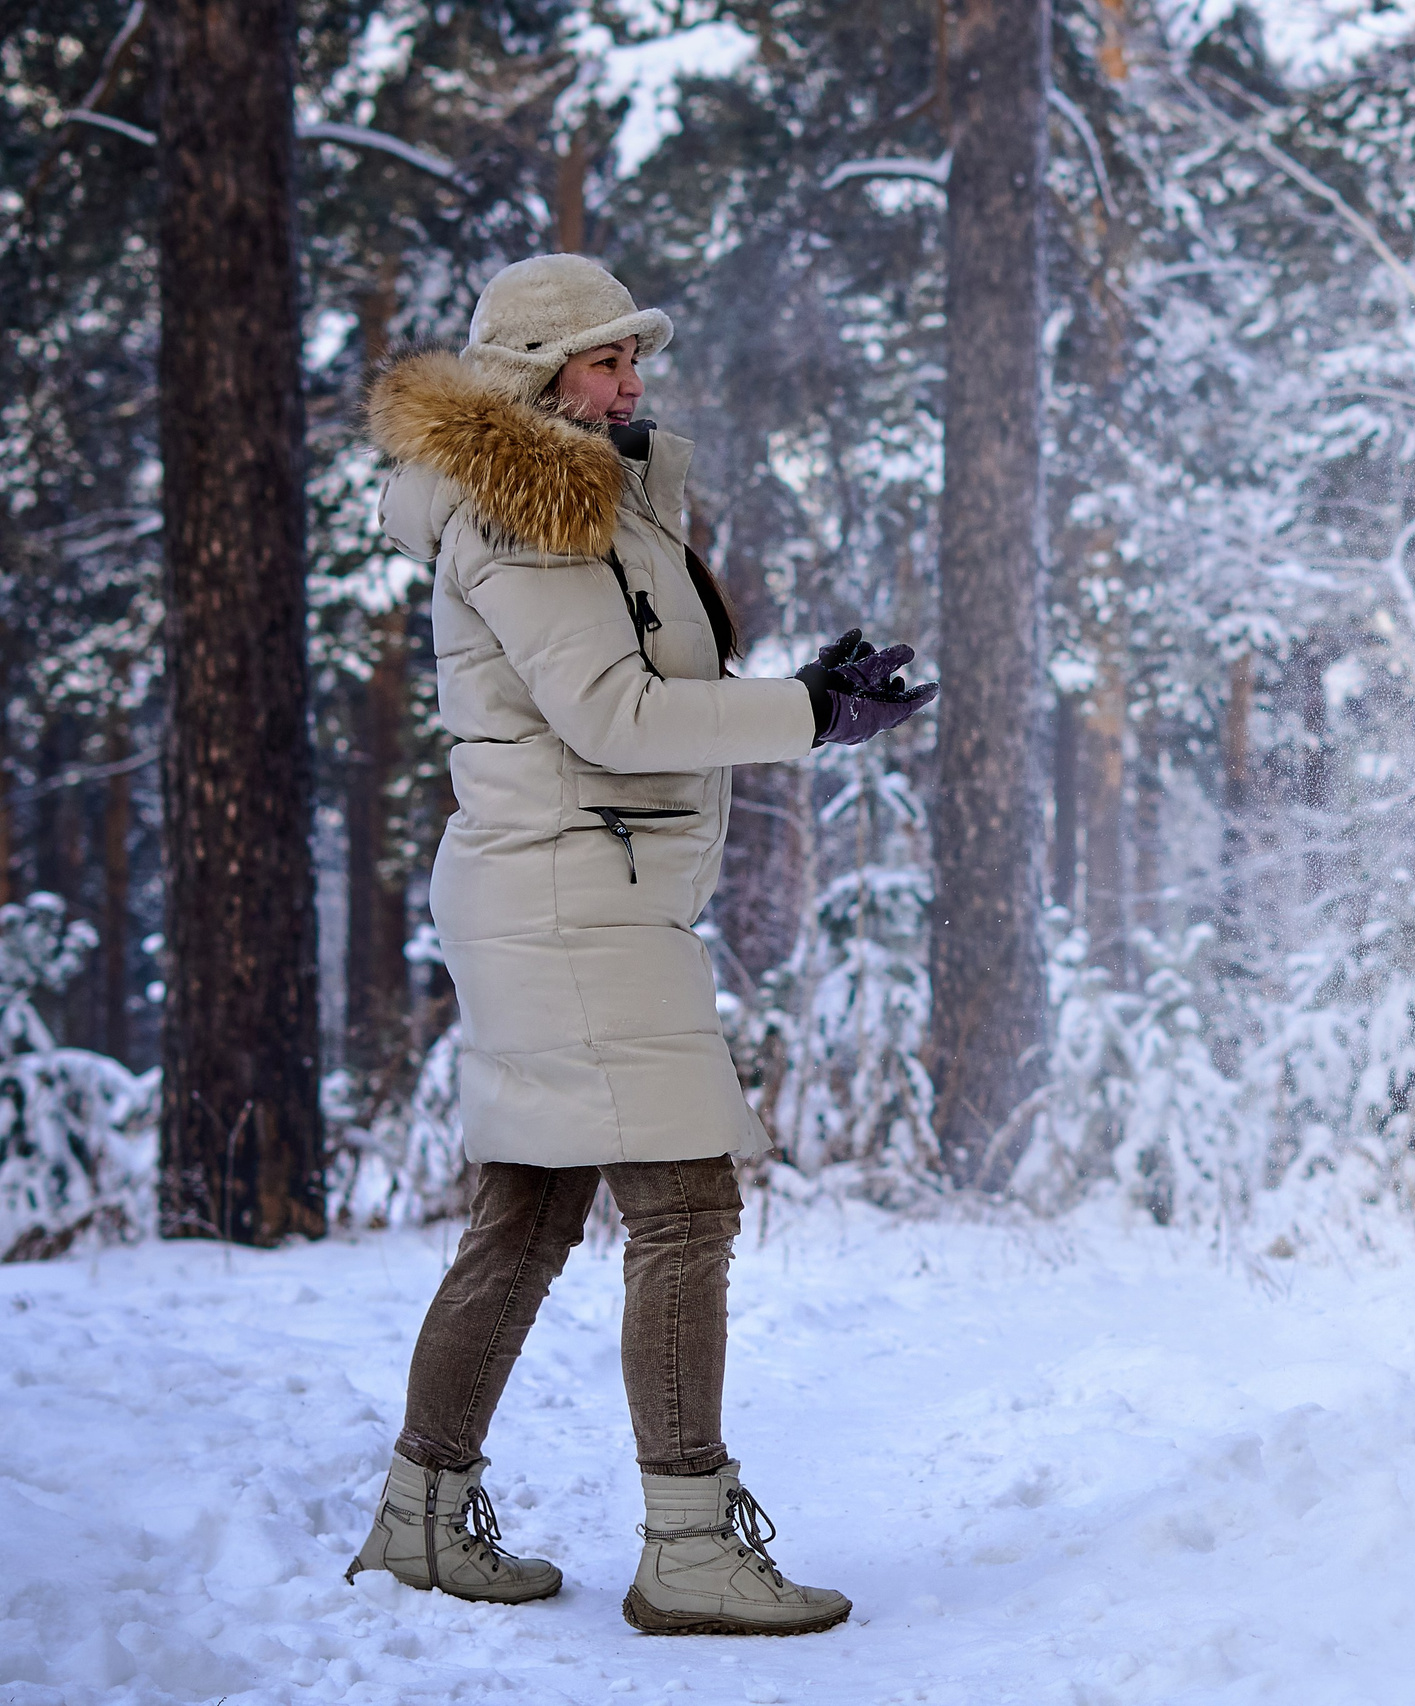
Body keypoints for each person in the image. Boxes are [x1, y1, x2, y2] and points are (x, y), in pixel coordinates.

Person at [345, 254, 931, 1636]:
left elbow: (636, 690)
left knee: (531, 1209)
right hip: (570, 898)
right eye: (609, 360)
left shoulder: (586, 497)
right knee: (684, 1208)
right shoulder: (526, 508)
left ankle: (420, 1519)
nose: (633, 380)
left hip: (566, 887)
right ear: (541, 374)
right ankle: (689, 1544)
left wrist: (794, 695)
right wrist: (799, 714)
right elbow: (611, 714)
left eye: (632, 357)